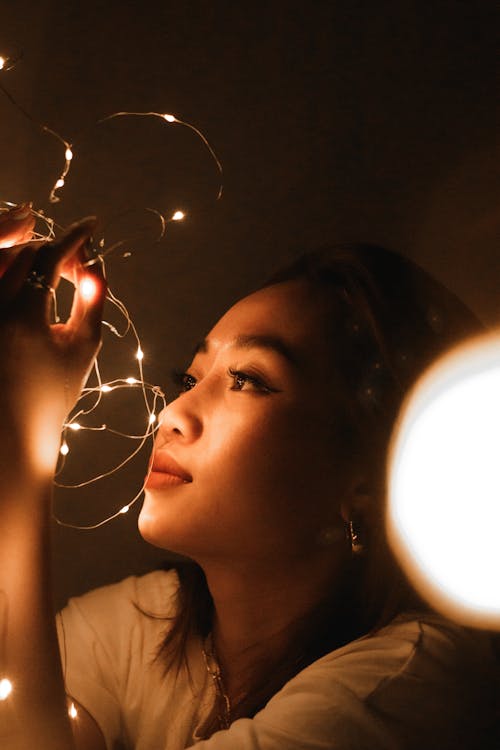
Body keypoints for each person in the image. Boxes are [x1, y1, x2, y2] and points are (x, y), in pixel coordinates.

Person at [0, 203, 497, 750]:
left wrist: (22, 439)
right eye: (189, 378)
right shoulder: (135, 622)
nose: (172, 415)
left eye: (248, 380)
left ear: (371, 475)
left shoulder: (409, 685)